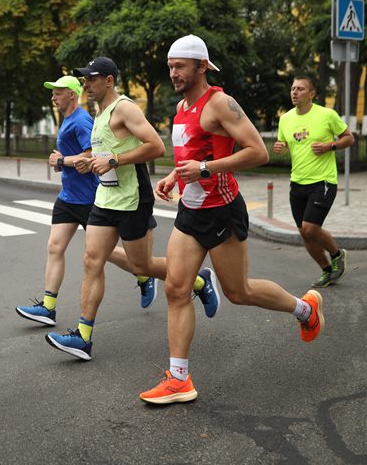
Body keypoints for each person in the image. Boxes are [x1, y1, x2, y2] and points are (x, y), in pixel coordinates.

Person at [139, 35, 325, 404]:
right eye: (170, 66)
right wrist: (175, 176)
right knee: (177, 289)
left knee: (239, 292)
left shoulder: (220, 103)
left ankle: (306, 308)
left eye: (180, 66)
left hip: (222, 210)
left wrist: (205, 168)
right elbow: (190, 154)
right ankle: (179, 380)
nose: (173, 73)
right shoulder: (180, 108)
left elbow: (257, 152)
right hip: (190, 212)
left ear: (202, 66)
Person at [45, 57, 220, 361]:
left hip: (133, 199)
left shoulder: (124, 107)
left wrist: (114, 160)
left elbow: (156, 146)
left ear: (109, 80)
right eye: (84, 79)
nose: (87, 83)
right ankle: (82, 337)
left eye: (92, 78)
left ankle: (200, 281)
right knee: (91, 259)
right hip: (105, 198)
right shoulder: (98, 114)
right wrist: (92, 163)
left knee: (142, 265)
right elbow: (104, 154)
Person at [273, 75, 354, 288]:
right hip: (297, 182)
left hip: (323, 181)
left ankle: (337, 254)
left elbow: (349, 137)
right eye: (292, 88)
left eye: (300, 88)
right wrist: (280, 147)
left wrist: (330, 146)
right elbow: (286, 143)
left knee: (310, 228)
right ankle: (327, 270)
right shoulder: (286, 119)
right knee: (303, 233)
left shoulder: (327, 115)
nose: (294, 92)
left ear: (312, 93)